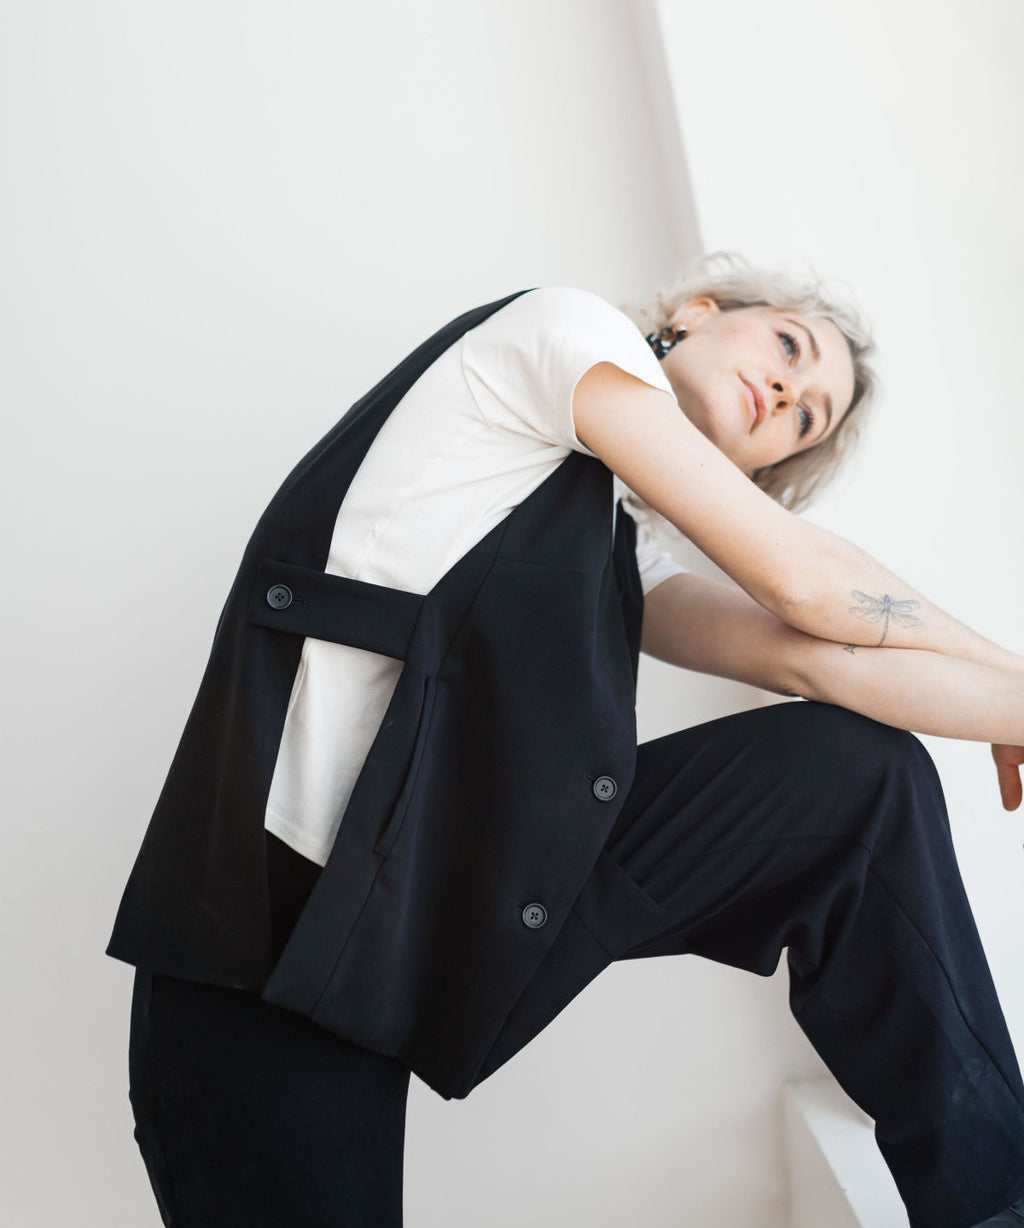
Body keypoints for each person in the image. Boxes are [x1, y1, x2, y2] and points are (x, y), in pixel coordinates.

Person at [111, 252, 1024, 1228]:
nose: (787, 393)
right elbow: (803, 584)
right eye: (789, 348)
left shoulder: (621, 550)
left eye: (807, 418)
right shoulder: (559, 335)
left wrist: (1009, 703)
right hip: (263, 940)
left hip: (418, 918)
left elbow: (820, 659)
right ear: (697, 311)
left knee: (856, 779)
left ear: (759, 467)